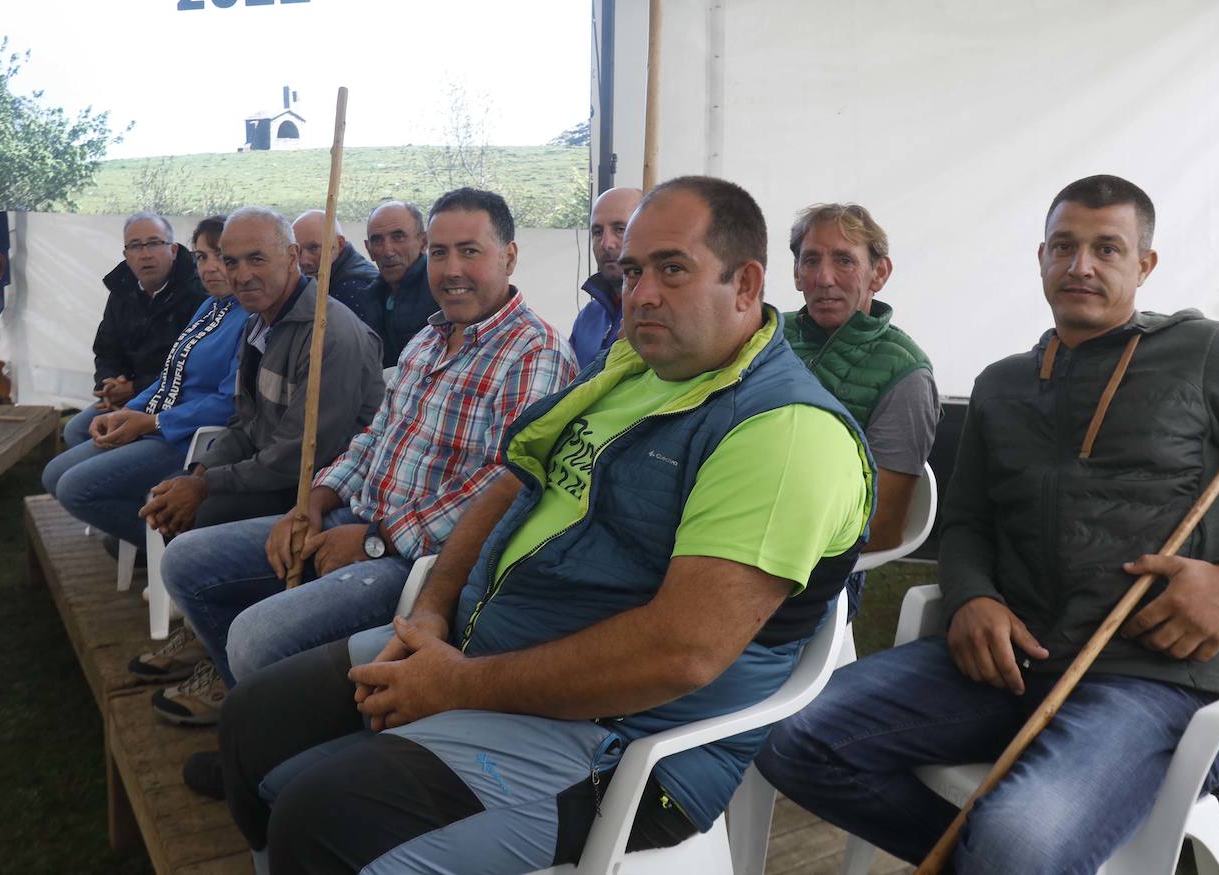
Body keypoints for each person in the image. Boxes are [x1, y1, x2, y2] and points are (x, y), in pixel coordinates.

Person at [214, 175, 873, 875]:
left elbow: (681, 653)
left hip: (617, 739)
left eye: (671, 268)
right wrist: (433, 610)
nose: (640, 292)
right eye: (631, 270)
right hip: (480, 649)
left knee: (319, 821)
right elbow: (511, 478)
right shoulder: (634, 364)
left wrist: (457, 685)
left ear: (744, 285)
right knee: (252, 723)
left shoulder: (787, 432)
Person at [755, 174, 1219, 875]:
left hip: (1151, 681)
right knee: (790, 735)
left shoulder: (1211, 356)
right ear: (1041, 257)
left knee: (1020, 840)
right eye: (1063, 245)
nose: (1080, 265)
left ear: (1144, 264)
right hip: (1008, 663)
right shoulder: (1002, 384)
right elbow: (967, 522)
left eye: (1106, 248)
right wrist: (971, 595)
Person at [157, 188, 575, 735]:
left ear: (510, 257)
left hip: (416, 563)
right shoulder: (429, 338)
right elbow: (374, 438)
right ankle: (257, 717)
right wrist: (311, 503)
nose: (451, 270)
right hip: (352, 517)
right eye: (443, 252)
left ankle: (266, 727)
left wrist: (376, 539)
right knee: (185, 562)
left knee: (254, 638)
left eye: (470, 252)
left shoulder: (533, 354)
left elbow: (498, 490)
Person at [124, 207, 383, 692]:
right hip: (276, 472)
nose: (241, 275)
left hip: (326, 490)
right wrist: (199, 471)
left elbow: (300, 455)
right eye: (232, 261)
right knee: (176, 499)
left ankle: (232, 674)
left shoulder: (329, 334)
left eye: (256, 259)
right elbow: (245, 423)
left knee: (207, 515)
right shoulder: (260, 322)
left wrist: (205, 487)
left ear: (291, 258)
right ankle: (211, 637)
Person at [42, 216, 248, 555]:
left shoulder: (248, 316)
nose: (210, 268)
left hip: (190, 439)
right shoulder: (210, 307)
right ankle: (156, 546)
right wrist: (127, 411)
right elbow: (169, 375)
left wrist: (152, 421)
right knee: (55, 474)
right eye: (201, 258)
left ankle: (182, 553)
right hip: (161, 420)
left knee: (73, 488)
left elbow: (230, 404)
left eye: (220, 257)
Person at [786, 203, 939, 554]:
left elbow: (881, 529)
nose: (824, 278)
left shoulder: (906, 374)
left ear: (879, 273)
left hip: (821, 565)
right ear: (796, 273)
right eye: (811, 260)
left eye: (844, 260)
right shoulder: (766, 336)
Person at [64, 212, 207, 449]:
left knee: (72, 477)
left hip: (174, 402)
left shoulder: (199, 293)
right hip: (130, 397)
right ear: (126, 256)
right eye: (135, 246)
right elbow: (106, 348)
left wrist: (133, 388)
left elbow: (192, 368)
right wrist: (108, 384)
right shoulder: (122, 289)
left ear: (173, 250)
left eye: (154, 243)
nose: (145, 254)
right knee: (75, 431)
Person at [360, 200, 439, 367]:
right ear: (368, 249)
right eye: (378, 240)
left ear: (423, 242)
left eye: (398, 237)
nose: (388, 251)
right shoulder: (370, 295)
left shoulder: (440, 292)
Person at [569, 186, 642, 367]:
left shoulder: (663, 316)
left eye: (619, 229)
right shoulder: (587, 318)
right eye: (597, 232)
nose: (606, 244)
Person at [290, 209, 378, 322]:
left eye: (314, 248)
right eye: (298, 251)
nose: (303, 261)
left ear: (340, 243)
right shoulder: (334, 275)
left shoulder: (353, 289)